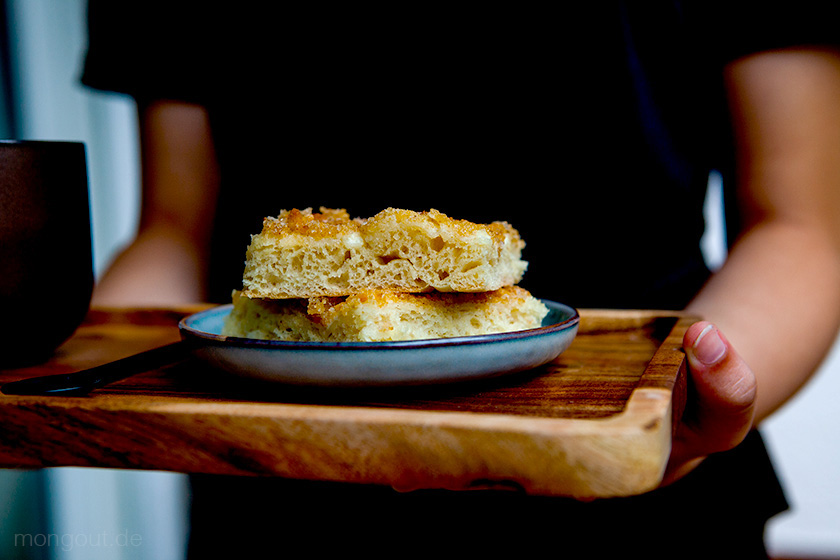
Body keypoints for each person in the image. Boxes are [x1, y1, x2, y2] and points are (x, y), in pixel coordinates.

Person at [81, 2, 840, 557]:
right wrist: (67, 365)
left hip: (640, 486)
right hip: (275, 485)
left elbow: (800, 226)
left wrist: (672, 409)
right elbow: (172, 230)